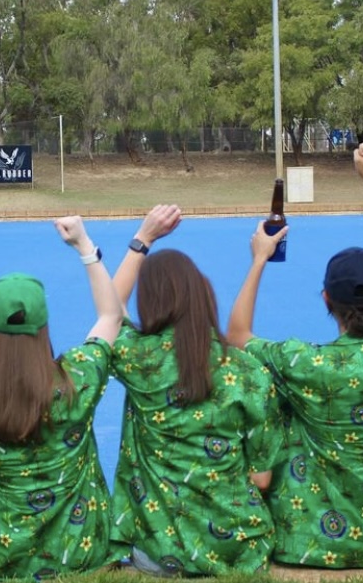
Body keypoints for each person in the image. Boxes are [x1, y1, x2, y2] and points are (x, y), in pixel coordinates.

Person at [226, 144, 363, 569]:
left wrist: (258, 259)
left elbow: (237, 336)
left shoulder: (304, 363)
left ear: (326, 298)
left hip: (313, 541)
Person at [109, 204, 280, 576]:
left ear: (150, 300)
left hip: (160, 552)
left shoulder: (139, 359)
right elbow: (261, 478)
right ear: (203, 294)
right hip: (242, 548)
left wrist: (143, 238)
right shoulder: (248, 371)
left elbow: (111, 312)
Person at [0, 215, 120, 580]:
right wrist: (84, 245)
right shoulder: (76, 380)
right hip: (77, 554)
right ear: (43, 327)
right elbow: (111, 316)